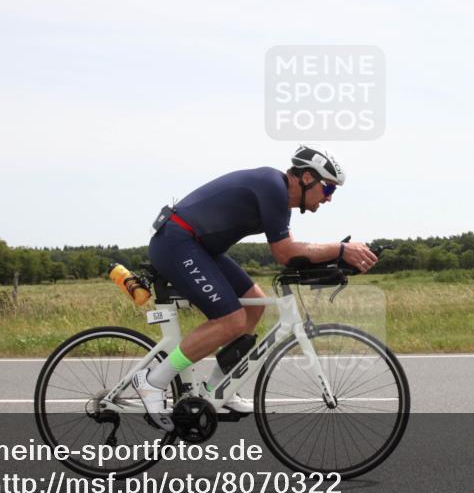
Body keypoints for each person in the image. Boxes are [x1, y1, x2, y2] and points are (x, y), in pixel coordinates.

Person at [133, 146, 379, 430]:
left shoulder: (279, 198)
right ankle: (153, 381)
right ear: (307, 177)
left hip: (198, 247)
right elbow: (285, 252)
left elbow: (294, 252)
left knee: (255, 305)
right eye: (328, 189)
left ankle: (216, 388)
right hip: (176, 242)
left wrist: (338, 261)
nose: (329, 198)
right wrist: (342, 249)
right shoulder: (273, 188)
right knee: (231, 320)